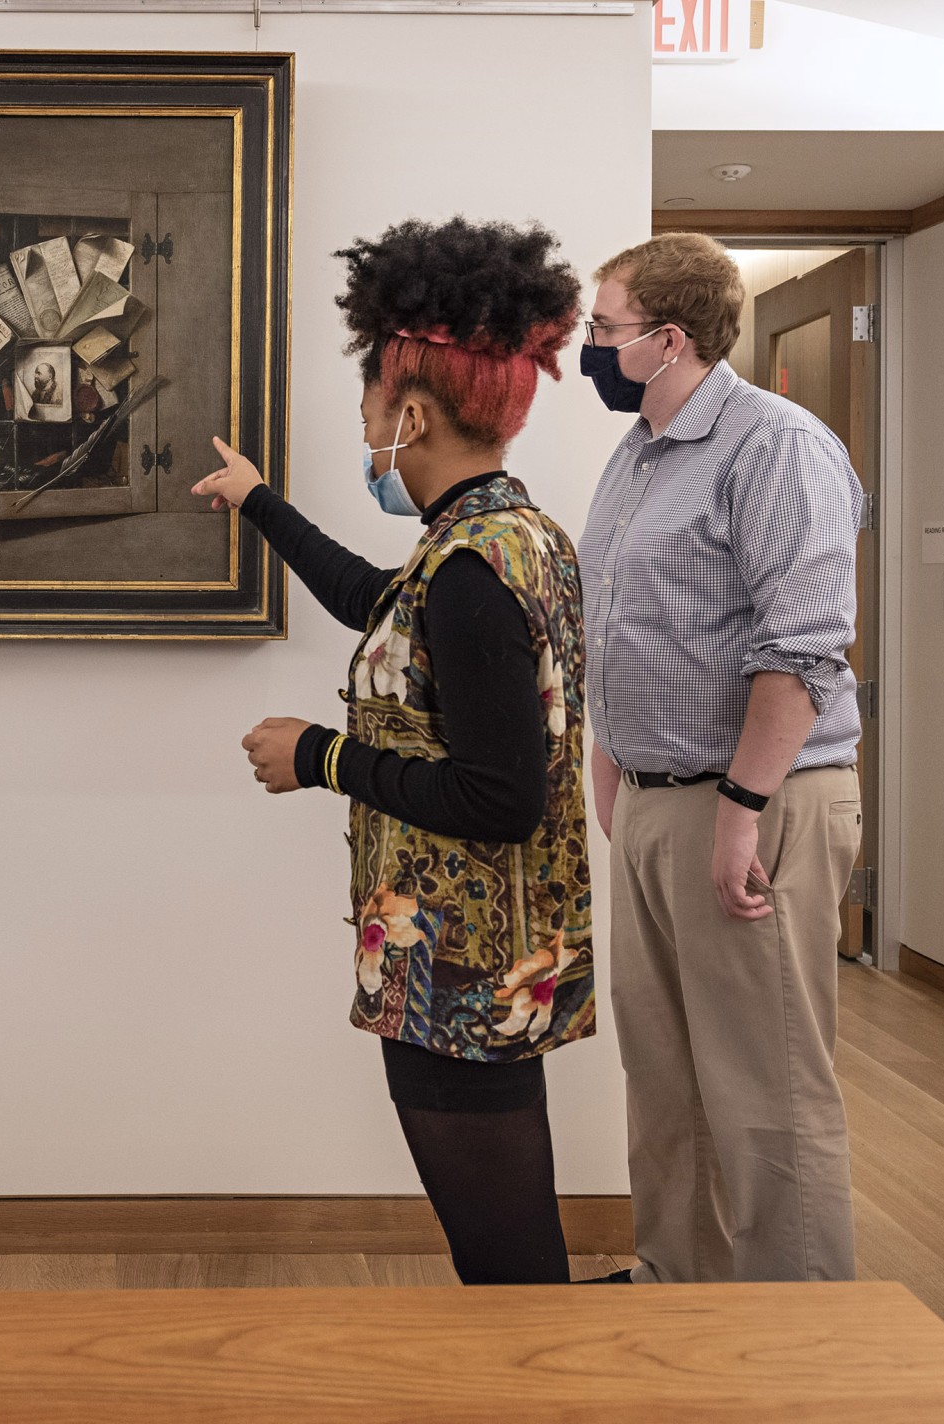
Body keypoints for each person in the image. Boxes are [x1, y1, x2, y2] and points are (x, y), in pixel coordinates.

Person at [194, 218, 593, 1285]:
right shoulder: (506, 536)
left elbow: (497, 794)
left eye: (370, 406)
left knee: (508, 1270)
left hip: (462, 980)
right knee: (510, 1253)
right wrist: (259, 504)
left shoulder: (468, 568)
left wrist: (317, 755)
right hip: (493, 965)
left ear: (409, 412)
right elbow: (380, 608)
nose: (365, 425)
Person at [575, 233, 864, 1284]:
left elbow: (801, 648)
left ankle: (794, 1336)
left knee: (767, 1088)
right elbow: (627, 617)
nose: (589, 348)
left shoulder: (773, 447)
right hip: (655, 802)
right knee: (664, 1077)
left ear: (668, 339)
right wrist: (614, 755)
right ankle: (676, 1289)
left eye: (604, 330)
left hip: (754, 805)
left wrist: (740, 807)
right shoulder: (640, 452)